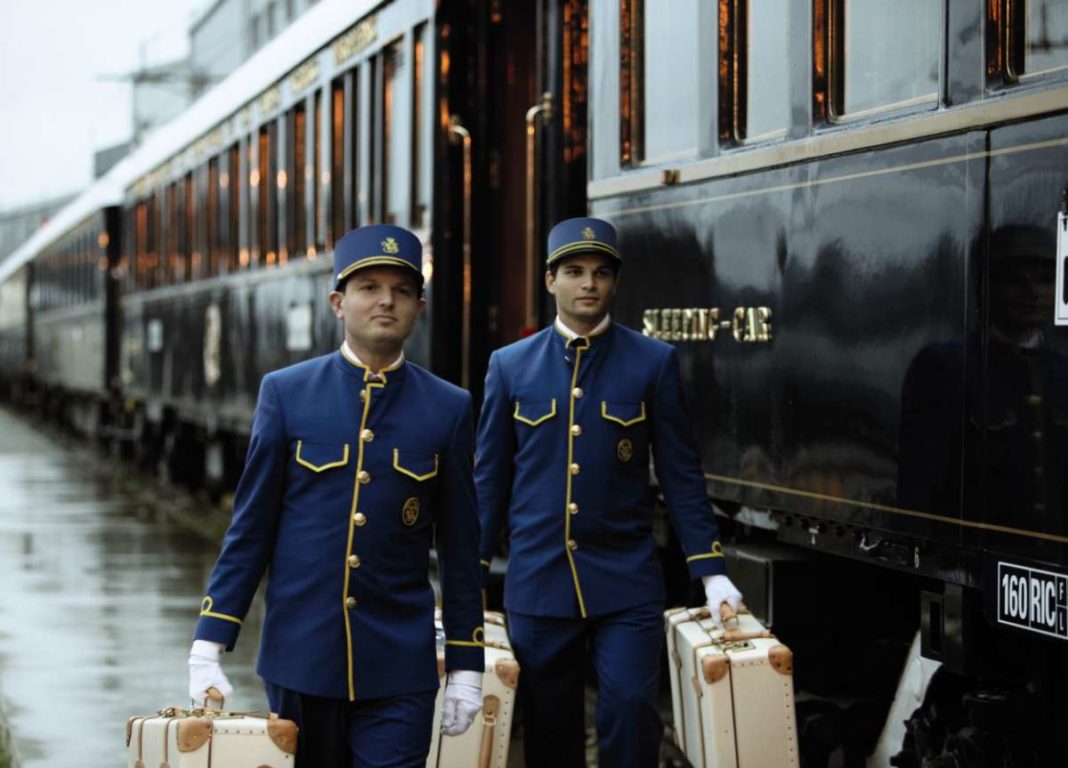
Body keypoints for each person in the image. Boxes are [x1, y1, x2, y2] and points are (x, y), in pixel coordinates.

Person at [187, 224, 485, 768]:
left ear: (419, 305)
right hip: (303, 658)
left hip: (400, 666)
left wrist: (467, 665)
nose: (385, 301)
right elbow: (250, 529)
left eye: (401, 290)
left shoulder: (449, 407)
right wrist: (209, 642)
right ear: (337, 301)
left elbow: (463, 548)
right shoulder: (286, 393)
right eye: (369, 287)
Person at [475, 216, 743, 767]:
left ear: (616, 283)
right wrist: (468, 575)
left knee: (629, 709)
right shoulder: (509, 367)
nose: (588, 284)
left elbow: (680, 473)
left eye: (601, 272)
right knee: (551, 729)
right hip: (539, 581)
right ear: (550, 280)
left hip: (626, 582)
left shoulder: (653, 361)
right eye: (574, 271)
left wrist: (710, 570)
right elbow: (489, 479)